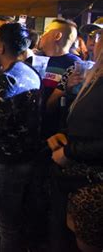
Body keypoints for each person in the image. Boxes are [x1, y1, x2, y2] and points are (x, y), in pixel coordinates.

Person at [0, 23, 43, 252]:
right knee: (21, 221)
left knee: (7, 226)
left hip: (7, 163)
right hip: (29, 158)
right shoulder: (31, 71)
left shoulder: (7, 78)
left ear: (1, 47)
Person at [47, 28, 103, 252]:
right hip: (76, 178)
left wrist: (70, 152)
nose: (94, 43)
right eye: (93, 37)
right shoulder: (95, 76)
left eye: (99, 38)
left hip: (93, 183)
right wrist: (65, 135)